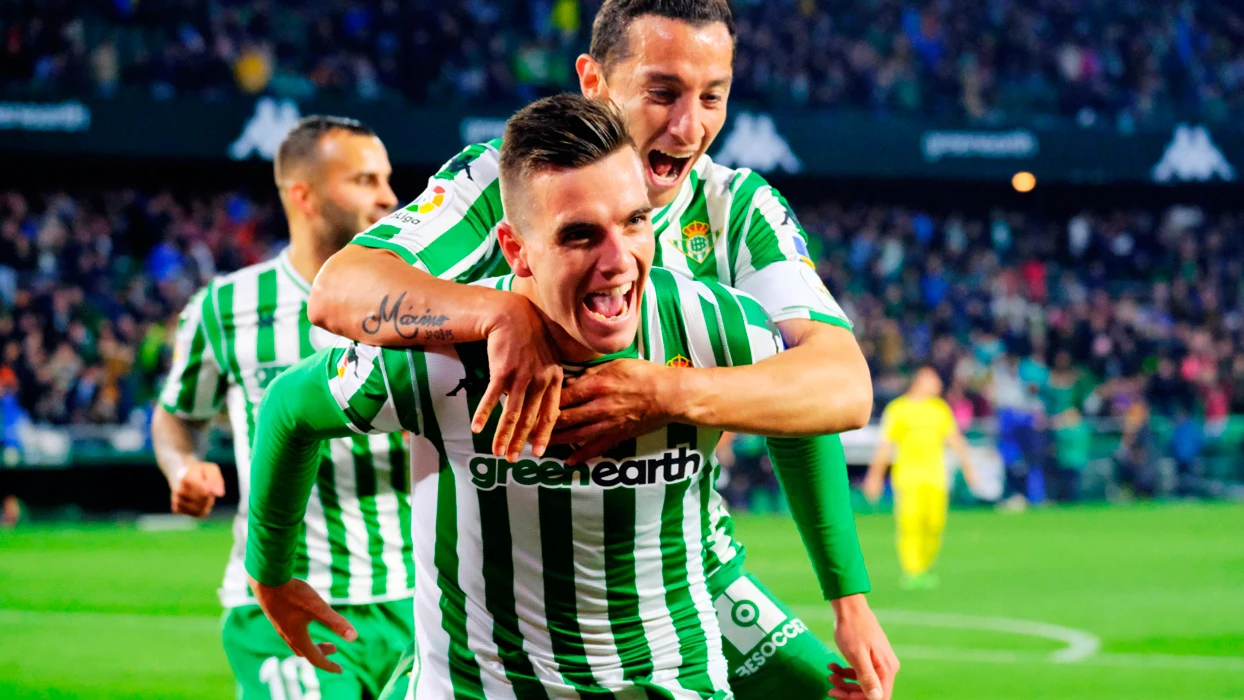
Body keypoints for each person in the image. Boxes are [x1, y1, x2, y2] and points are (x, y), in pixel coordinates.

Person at [306, 2, 896, 698]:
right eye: (663, 92)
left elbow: (827, 388)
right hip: (501, 563)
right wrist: (498, 314)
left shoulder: (737, 209)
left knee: (833, 694)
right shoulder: (502, 183)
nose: (689, 126)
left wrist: (847, 596)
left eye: (713, 97)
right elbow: (339, 290)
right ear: (594, 82)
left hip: (682, 564)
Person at [246, 94, 806, 698]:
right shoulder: (440, 356)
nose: (618, 261)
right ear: (516, 249)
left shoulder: (707, 325)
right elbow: (287, 408)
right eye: (579, 236)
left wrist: (676, 392)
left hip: (669, 683)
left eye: (635, 221)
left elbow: (824, 399)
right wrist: (271, 573)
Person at [152, 116, 412, 699]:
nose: (389, 196)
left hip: (416, 599)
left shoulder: (422, 297)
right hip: (281, 598)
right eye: (365, 180)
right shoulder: (228, 307)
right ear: (304, 195)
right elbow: (177, 414)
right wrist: (180, 467)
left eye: (387, 179)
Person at [863, 368, 978, 590]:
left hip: (935, 477)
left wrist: (968, 468)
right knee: (910, 524)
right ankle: (912, 570)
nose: (937, 385)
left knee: (934, 523)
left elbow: (954, 439)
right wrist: (875, 476)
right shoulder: (898, 409)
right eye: (933, 381)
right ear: (919, 381)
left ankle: (925, 566)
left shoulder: (939, 409)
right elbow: (885, 446)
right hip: (908, 477)